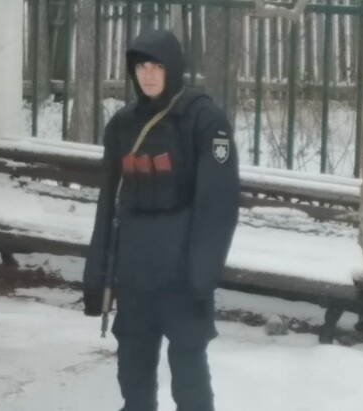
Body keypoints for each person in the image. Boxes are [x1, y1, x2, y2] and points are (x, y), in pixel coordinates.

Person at [83, 29, 240, 411]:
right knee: (133, 373)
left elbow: (217, 206)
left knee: (188, 374)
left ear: (173, 68)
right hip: (135, 272)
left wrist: (201, 276)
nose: (149, 74)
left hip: (181, 273)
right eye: (141, 66)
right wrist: (97, 274)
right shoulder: (123, 124)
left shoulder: (204, 119)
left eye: (157, 65)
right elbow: (108, 203)